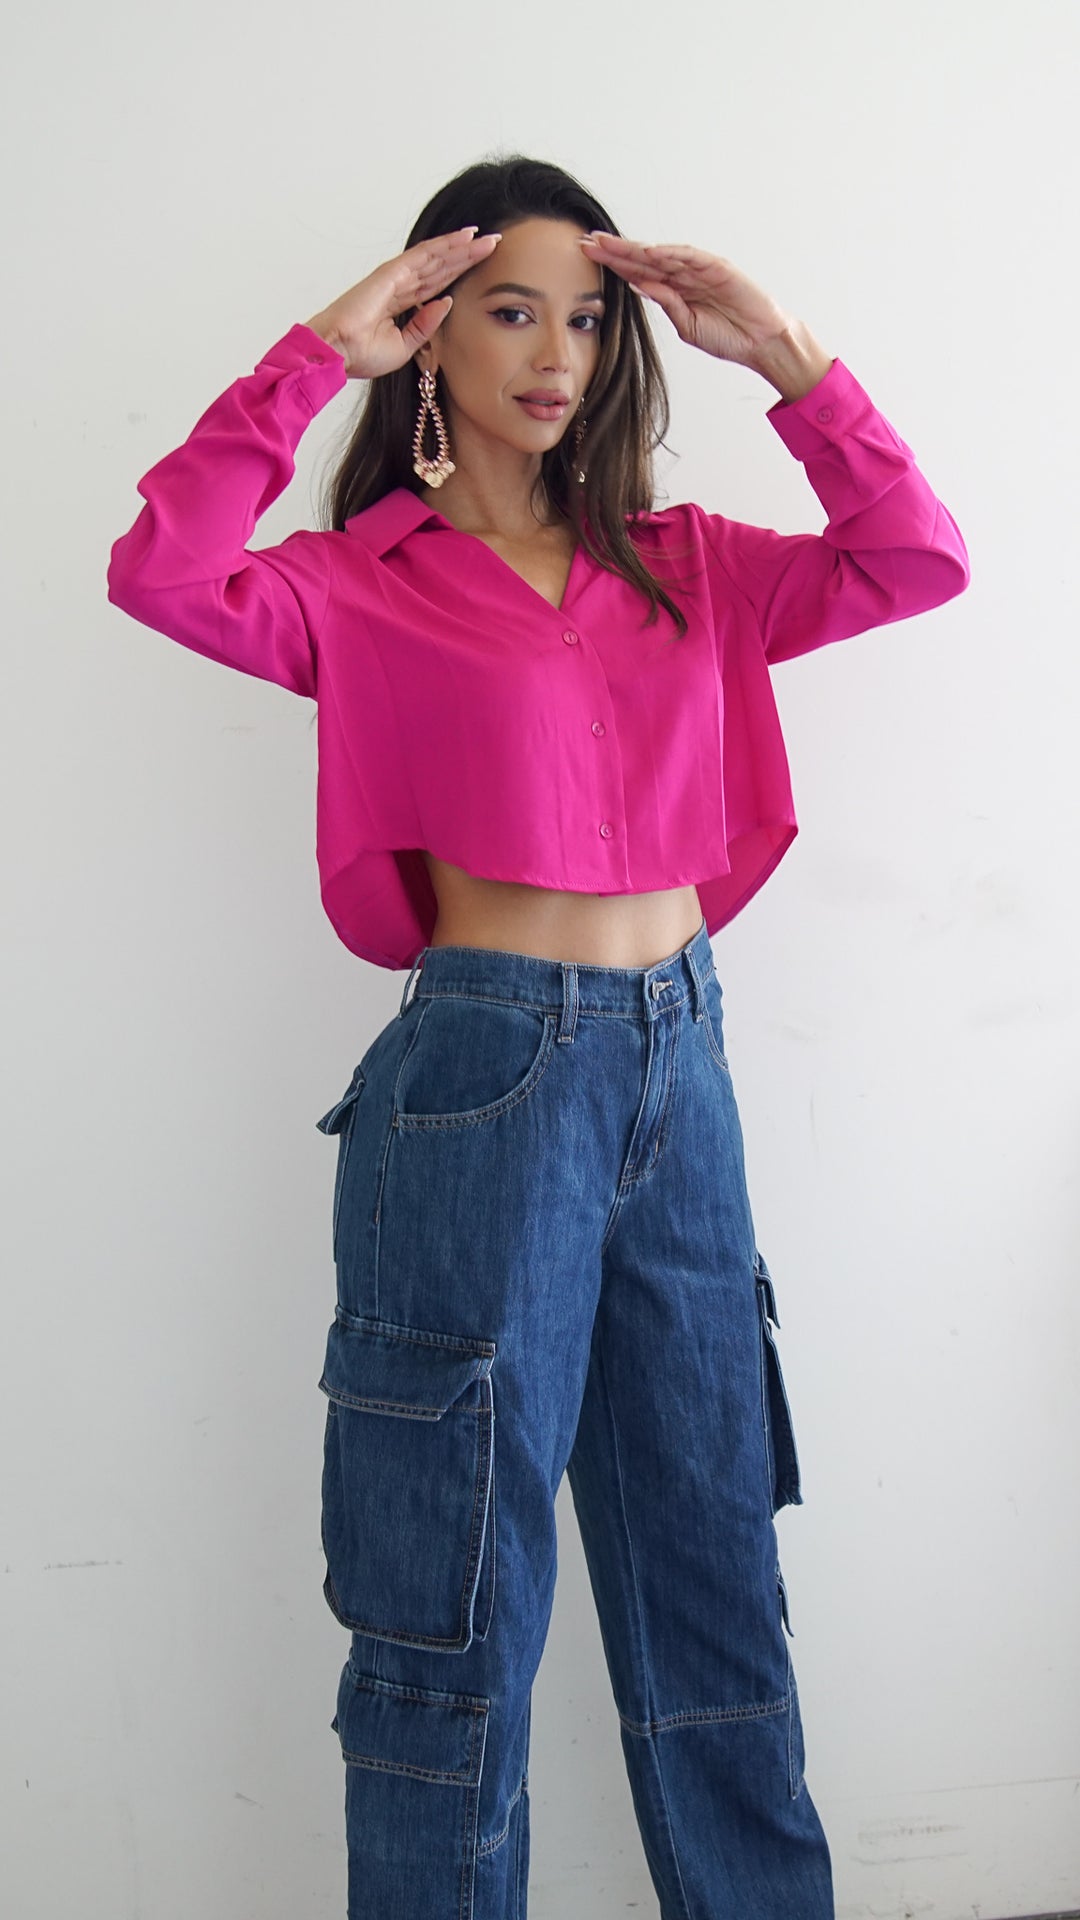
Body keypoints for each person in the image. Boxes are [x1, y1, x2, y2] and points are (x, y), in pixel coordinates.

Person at [107, 153, 970, 1920]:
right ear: (432, 331)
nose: (557, 353)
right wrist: (312, 356)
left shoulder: (691, 566)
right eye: (511, 310)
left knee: (715, 1570)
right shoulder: (363, 581)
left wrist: (783, 351)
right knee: (453, 1596)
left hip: (682, 1068)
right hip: (486, 1086)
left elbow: (915, 558)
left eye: (586, 317)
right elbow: (162, 571)